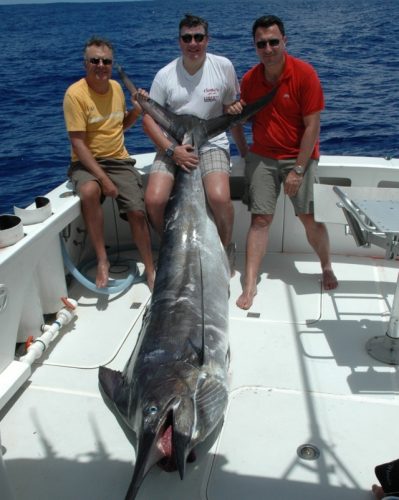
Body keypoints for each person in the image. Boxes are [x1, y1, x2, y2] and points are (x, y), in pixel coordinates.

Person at [227, 14, 338, 310]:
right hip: (262, 156)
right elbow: (242, 119)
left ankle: (326, 265)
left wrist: (299, 170)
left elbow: (312, 127)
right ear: (254, 46)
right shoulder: (250, 80)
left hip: (298, 157)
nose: (268, 48)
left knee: (309, 218)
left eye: (274, 42)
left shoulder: (304, 74)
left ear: (285, 41)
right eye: (261, 43)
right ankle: (250, 284)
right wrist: (242, 137)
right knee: (260, 220)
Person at [142, 13, 241, 268]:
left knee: (219, 198)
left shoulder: (224, 67)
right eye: (187, 38)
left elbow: (230, 110)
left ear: (207, 40)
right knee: (153, 200)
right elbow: (149, 120)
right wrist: (172, 150)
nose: (193, 43)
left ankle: (224, 250)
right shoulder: (165, 75)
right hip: (173, 144)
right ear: (179, 41)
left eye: (198, 37)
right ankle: (171, 249)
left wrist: (245, 151)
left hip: (211, 142)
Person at [63, 36, 155, 290]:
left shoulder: (115, 88)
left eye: (106, 61)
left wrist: (136, 110)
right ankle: (102, 259)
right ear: (85, 64)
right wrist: (103, 180)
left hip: (119, 160)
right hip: (86, 162)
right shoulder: (75, 95)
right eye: (95, 60)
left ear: (112, 64)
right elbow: (78, 144)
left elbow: (119, 126)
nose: (101, 65)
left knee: (137, 211)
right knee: (90, 191)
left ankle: (150, 269)